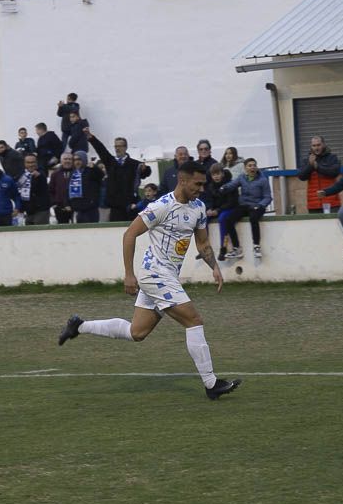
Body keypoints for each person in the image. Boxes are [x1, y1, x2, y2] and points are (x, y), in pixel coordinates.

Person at [57, 161, 240, 401]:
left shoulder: (198, 207)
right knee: (194, 320)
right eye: (197, 183)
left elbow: (203, 243)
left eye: (203, 184)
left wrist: (214, 267)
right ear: (182, 181)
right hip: (154, 273)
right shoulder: (162, 206)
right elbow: (130, 233)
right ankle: (211, 383)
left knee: (137, 332)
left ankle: (79, 325)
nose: (201, 188)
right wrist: (129, 274)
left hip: (167, 275)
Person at [222, 157, 272, 264]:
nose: (252, 167)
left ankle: (256, 246)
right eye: (250, 166)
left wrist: (260, 205)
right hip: (244, 205)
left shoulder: (263, 180)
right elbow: (232, 185)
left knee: (254, 218)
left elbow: (268, 197)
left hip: (257, 205)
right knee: (228, 219)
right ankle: (236, 248)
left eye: (254, 165)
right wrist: (224, 188)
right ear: (245, 168)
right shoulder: (242, 178)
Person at [88, 129, 143, 223]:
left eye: (120, 146)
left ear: (125, 147)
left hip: (130, 205)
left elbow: (145, 172)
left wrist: (145, 169)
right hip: (115, 206)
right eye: (116, 146)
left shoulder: (134, 164)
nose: (117, 148)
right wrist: (92, 139)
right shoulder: (111, 162)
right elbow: (101, 150)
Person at [203, 164, 240, 260]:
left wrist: (218, 211)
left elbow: (231, 202)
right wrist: (210, 209)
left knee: (222, 219)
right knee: (203, 218)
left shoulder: (230, 184)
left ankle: (223, 249)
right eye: (213, 175)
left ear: (222, 174)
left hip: (229, 208)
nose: (216, 176)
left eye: (218, 174)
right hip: (217, 209)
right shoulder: (211, 186)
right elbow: (210, 200)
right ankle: (204, 248)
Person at [297, 136, 342, 214]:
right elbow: (301, 177)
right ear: (311, 147)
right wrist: (310, 166)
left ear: (323, 145)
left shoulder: (332, 158)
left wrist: (317, 167)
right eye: (314, 146)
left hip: (331, 202)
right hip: (313, 204)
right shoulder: (307, 160)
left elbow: (334, 172)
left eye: (318, 145)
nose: (316, 148)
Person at [65, 150, 104, 223]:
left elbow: (101, 176)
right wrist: (67, 203)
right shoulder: (72, 173)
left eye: (79, 159)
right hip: (77, 209)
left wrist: (94, 167)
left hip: (90, 209)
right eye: (75, 160)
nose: (77, 162)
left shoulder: (91, 170)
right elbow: (68, 189)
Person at [16, 154, 52, 225]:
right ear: (24, 163)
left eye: (33, 162)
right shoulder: (22, 174)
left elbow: (43, 181)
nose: (31, 165)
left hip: (41, 210)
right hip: (28, 210)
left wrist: (39, 177)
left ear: (36, 163)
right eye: (28, 162)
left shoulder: (41, 173)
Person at [49, 154, 75, 224]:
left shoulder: (77, 172)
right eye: (65, 159)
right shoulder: (55, 174)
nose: (67, 161)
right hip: (60, 208)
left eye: (69, 159)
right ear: (61, 161)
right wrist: (54, 204)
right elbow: (51, 190)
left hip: (74, 207)